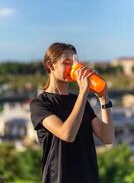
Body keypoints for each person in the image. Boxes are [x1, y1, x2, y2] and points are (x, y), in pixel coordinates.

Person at [30, 42, 114, 183]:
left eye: (74, 62)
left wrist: (103, 98)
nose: (72, 68)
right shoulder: (40, 104)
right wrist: (83, 92)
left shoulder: (81, 102)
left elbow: (107, 138)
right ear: (51, 66)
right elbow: (67, 134)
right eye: (66, 62)